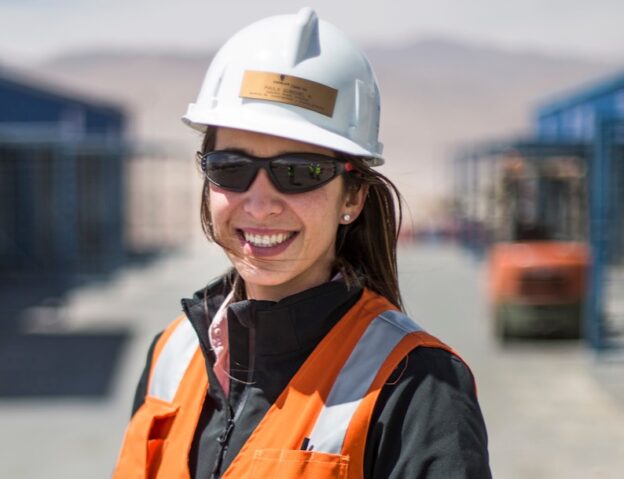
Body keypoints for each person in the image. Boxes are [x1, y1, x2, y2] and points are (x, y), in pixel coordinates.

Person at [113, 8, 491, 478]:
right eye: (231, 167)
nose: (260, 203)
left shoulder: (417, 388)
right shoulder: (172, 355)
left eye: (299, 173)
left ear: (351, 196)